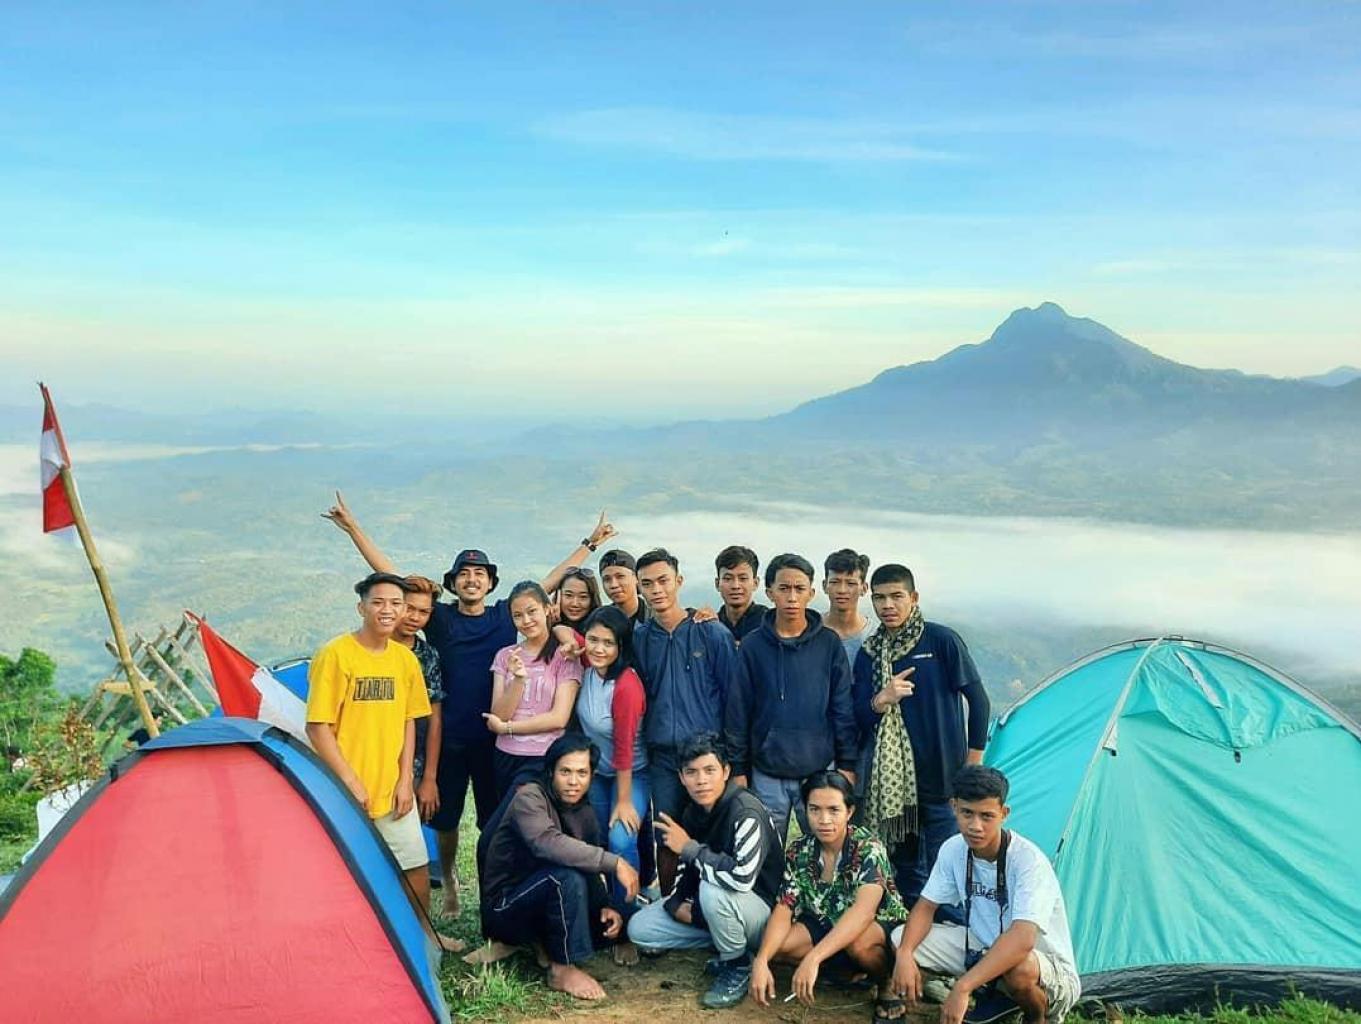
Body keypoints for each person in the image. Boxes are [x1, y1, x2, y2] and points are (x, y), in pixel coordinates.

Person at [322, 492, 616, 915]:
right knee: (445, 820)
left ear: (491, 583)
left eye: (480, 573)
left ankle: (496, 887)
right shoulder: (441, 618)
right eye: (464, 574)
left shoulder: (503, 617)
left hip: (497, 745)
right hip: (451, 739)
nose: (472, 579)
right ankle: (451, 884)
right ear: (454, 583)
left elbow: (546, 586)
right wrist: (353, 529)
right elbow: (393, 581)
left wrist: (589, 544)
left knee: (495, 821)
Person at [305, 572, 458, 951]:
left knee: (415, 865)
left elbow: (409, 721)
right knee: (345, 871)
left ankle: (423, 939)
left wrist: (406, 780)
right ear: (362, 608)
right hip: (342, 790)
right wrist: (349, 782)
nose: (388, 610)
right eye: (378, 602)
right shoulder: (335, 655)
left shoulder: (405, 660)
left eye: (395, 604)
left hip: (391, 788)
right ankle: (350, 943)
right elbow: (318, 727)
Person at [891, 766, 1079, 1024]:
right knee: (901, 938)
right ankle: (997, 998)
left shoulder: (1028, 861)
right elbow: (925, 907)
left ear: (1004, 814)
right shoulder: (953, 849)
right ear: (954, 807)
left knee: (1018, 968)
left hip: (1044, 966)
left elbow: (1023, 939)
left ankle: (1037, 1016)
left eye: (987, 816)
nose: (975, 826)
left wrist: (963, 987)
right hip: (982, 946)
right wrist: (904, 954)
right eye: (967, 813)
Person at [853, 564, 991, 911]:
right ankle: (911, 935)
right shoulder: (869, 654)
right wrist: (881, 699)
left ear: (913, 598)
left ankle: (956, 933)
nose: (888, 605)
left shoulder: (941, 641)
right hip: (894, 790)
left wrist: (972, 766)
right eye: (880, 598)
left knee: (951, 869)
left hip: (945, 781)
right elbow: (857, 717)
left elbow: (978, 701)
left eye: (896, 596)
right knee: (906, 873)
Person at [476, 733, 641, 1001]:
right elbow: (547, 843)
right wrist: (615, 863)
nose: (574, 782)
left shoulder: (583, 809)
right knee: (564, 877)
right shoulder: (529, 797)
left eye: (582, 773)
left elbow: (586, 864)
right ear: (551, 771)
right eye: (565, 772)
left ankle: (545, 944)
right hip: (507, 909)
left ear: (591, 775)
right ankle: (561, 969)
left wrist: (605, 905)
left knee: (618, 919)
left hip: (549, 902)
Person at [627, 732, 782, 1009]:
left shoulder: (747, 811)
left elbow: (742, 879)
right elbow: (688, 871)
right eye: (692, 772)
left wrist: (689, 848)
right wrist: (676, 904)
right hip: (719, 907)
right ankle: (727, 941)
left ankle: (737, 965)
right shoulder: (693, 812)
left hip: (763, 914)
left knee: (713, 891)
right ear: (681, 777)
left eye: (710, 770)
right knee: (640, 928)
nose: (701, 781)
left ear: (726, 772)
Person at [723, 552, 858, 843]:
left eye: (799, 588)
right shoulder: (752, 646)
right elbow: (738, 711)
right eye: (784, 588)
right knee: (766, 848)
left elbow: (842, 708)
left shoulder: (829, 644)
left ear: (812, 592)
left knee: (827, 844)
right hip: (767, 771)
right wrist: (738, 768)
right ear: (770, 592)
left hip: (819, 769)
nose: (792, 597)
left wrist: (847, 764)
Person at [751, 772, 908, 1020]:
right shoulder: (799, 850)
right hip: (825, 921)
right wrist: (761, 960)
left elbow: (864, 912)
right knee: (776, 947)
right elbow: (784, 907)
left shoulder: (868, 848)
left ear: (849, 811)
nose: (824, 820)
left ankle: (885, 982)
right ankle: (844, 971)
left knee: (859, 944)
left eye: (834, 810)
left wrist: (813, 958)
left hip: (874, 926)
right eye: (814, 810)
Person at [632, 548, 738, 892]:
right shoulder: (641, 638)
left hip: (708, 754)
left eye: (663, 580)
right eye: (647, 583)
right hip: (663, 756)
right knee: (666, 831)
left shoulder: (711, 633)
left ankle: (712, 902)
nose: (656, 590)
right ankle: (668, 901)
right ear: (639, 588)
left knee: (714, 831)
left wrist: (733, 757)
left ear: (678, 581)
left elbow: (733, 697)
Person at [575, 607, 649, 935]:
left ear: (621, 646)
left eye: (608, 643)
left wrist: (624, 800)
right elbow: (565, 633)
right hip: (597, 772)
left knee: (620, 838)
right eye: (593, 640)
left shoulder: (626, 685)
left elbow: (624, 748)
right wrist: (571, 641)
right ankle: (606, 910)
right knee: (598, 838)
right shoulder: (587, 664)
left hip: (631, 772)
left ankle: (628, 918)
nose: (598, 649)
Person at [483, 581, 584, 799]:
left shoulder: (565, 656)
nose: (526, 621)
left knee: (528, 815)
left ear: (547, 609)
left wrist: (506, 728)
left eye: (532, 612)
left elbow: (559, 718)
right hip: (505, 755)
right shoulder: (505, 655)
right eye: (518, 616)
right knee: (508, 817)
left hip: (544, 756)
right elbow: (498, 714)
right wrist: (518, 680)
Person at [391, 575, 445, 825]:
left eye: (423, 612)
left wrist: (429, 778)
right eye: (409, 608)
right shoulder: (369, 648)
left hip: (411, 763)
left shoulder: (427, 656)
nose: (414, 617)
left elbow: (434, 719)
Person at [823, 549, 874, 665]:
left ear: (864, 588)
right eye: (835, 582)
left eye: (851, 583)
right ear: (825, 586)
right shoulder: (810, 630)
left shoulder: (875, 636)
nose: (842, 590)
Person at [714, 545, 766, 644]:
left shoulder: (769, 623)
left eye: (743, 578)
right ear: (717, 584)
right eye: (728, 578)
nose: (735, 586)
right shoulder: (713, 625)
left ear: (755, 583)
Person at [598, 548, 650, 625]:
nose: (613, 585)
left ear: (636, 577)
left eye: (620, 576)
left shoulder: (658, 619)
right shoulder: (597, 621)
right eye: (607, 579)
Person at [554, 566, 602, 632]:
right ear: (558, 596)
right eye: (569, 595)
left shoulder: (601, 629)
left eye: (583, 597)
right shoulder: (545, 627)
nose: (575, 604)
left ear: (592, 600)